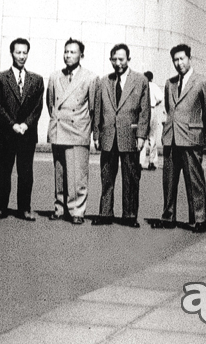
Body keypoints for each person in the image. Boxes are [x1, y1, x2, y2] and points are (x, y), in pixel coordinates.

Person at [92, 43, 150, 228]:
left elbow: (145, 111)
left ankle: (129, 215)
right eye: (114, 59)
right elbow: (98, 109)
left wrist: (141, 135)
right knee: (106, 177)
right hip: (108, 136)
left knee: (131, 178)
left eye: (121, 59)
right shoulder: (103, 81)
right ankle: (105, 214)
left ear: (128, 60)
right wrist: (96, 133)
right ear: (110, 60)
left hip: (130, 136)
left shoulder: (140, 81)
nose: (118, 63)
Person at [160, 44, 206, 233]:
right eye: (175, 59)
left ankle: (198, 218)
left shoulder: (202, 82)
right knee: (169, 180)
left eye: (182, 58)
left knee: (194, 181)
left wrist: (199, 130)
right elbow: (169, 108)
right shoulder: (170, 83)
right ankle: (168, 216)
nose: (179, 63)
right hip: (171, 138)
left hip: (191, 138)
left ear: (190, 59)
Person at [0, 38, 44, 221]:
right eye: (18, 52)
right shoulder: (0, 78)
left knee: (26, 173)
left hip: (27, 135)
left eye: (24, 52)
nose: (21, 56)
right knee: (3, 172)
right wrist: (12, 124)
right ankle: (0, 207)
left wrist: (26, 124)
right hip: (6, 134)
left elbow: (38, 107)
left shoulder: (36, 80)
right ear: (11, 53)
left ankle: (24, 209)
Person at [46, 38, 98, 224]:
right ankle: (60, 207)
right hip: (59, 129)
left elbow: (94, 107)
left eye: (73, 52)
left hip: (78, 131)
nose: (68, 55)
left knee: (77, 176)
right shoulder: (54, 76)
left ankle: (77, 210)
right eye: (66, 52)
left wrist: (93, 133)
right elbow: (50, 103)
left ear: (81, 55)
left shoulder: (90, 78)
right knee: (60, 174)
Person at [140, 71, 164, 171]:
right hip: (152, 109)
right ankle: (152, 161)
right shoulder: (154, 86)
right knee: (152, 137)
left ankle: (140, 162)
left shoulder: (141, 86)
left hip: (143, 111)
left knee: (141, 137)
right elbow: (160, 97)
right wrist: (156, 103)